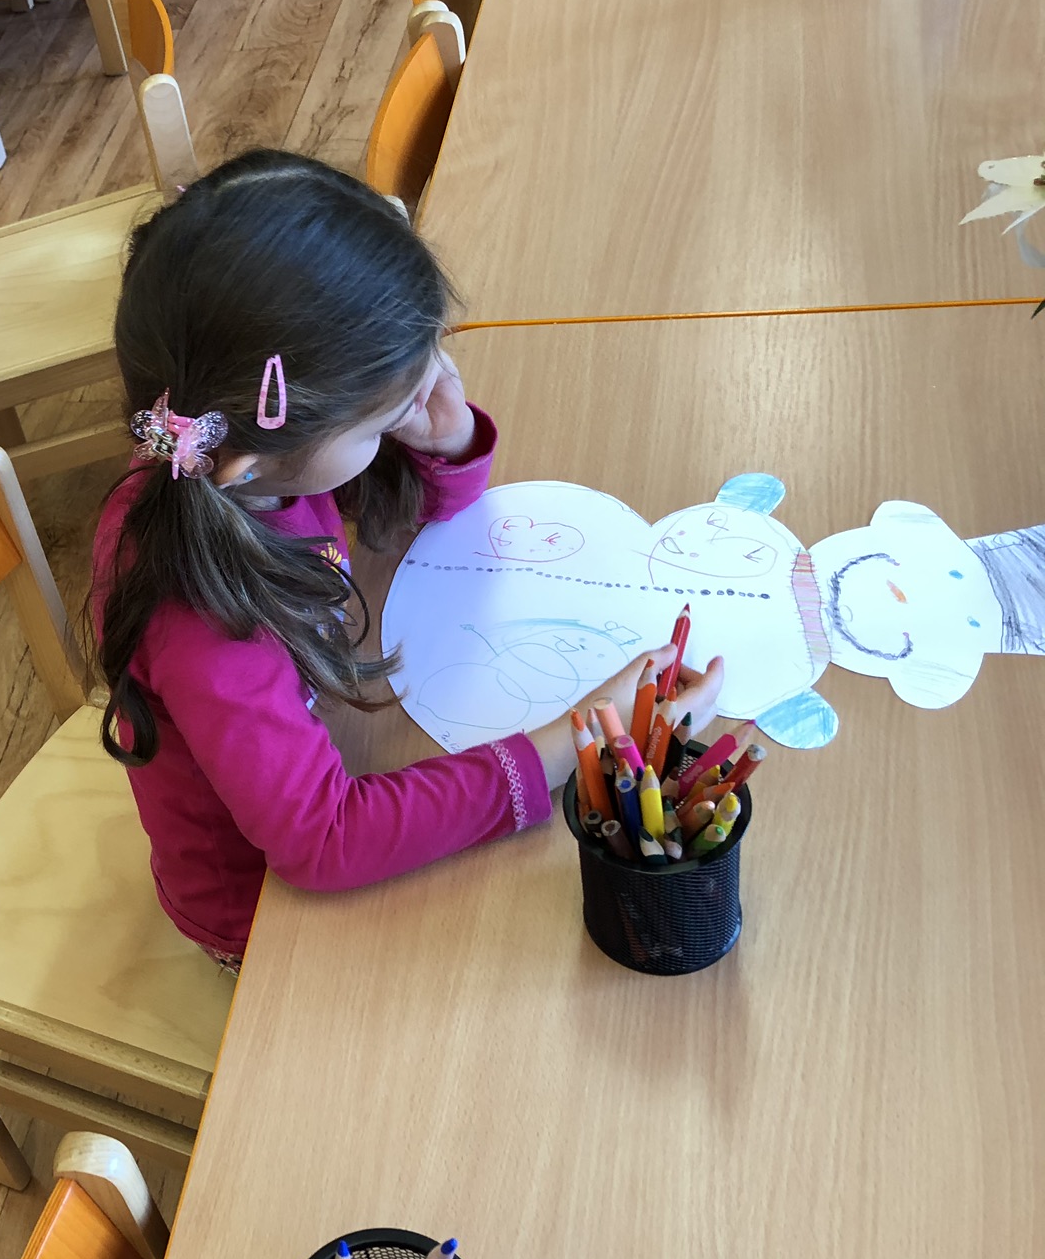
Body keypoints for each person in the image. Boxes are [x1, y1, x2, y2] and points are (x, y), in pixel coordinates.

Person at [91, 150, 724, 970]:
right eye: (378, 422)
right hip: (263, 920)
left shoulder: (238, 462)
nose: (405, 412)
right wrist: (583, 738)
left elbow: (405, 517)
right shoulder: (203, 616)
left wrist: (442, 435)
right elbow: (325, 840)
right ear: (256, 461)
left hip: (325, 747)